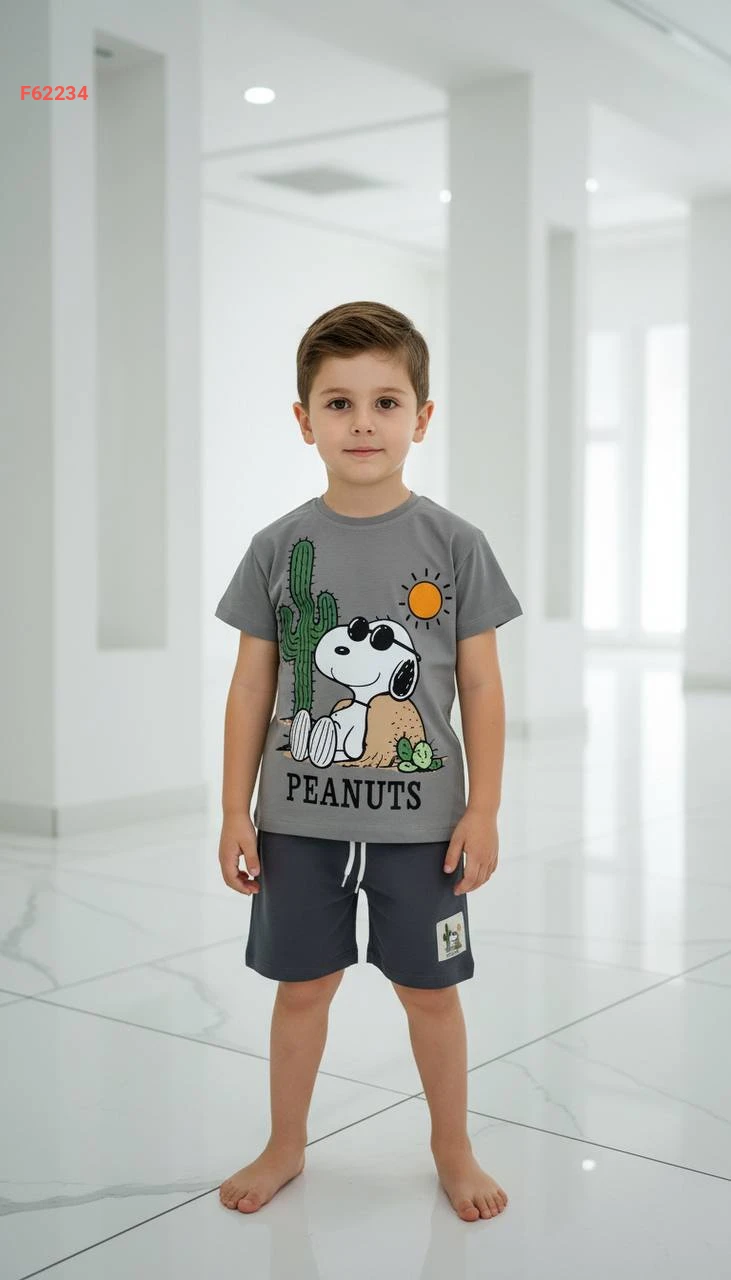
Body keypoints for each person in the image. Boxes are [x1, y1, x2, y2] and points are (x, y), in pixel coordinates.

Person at [214, 300, 522, 1223]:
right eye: (338, 403)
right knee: (301, 988)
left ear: (420, 419)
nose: (361, 423)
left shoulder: (456, 544)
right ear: (303, 420)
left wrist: (483, 809)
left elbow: (482, 687)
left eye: (385, 403)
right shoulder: (276, 548)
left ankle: (452, 1146)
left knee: (430, 994)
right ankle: (286, 1143)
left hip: (422, 831)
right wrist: (234, 810)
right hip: (296, 822)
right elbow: (251, 687)